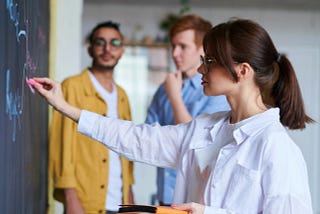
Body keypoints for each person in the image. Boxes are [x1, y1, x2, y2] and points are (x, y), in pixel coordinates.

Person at [33, 18, 314, 213]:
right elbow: (138, 138)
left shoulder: (277, 148)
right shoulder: (205, 127)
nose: (201, 69)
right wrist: (67, 108)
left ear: (242, 71)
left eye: (210, 61)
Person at [48, 21, 134, 214]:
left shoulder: (122, 96)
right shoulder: (72, 87)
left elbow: (126, 149)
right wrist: (70, 198)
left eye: (114, 43)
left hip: (120, 204)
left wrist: (129, 195)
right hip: (85, 202)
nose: (107, 49)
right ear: (90, 49)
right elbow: (61, 145)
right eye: (100, 42)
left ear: (122, 51)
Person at [145, 14, 229, 206]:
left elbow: (196, 143)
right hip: (164, 196)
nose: (175, 53)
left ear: (201, 49)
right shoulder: (164, 89)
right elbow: (150, 136)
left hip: (196, 200)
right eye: (173, 46)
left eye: (183, 46)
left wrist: (175, 97)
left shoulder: (217, 91)